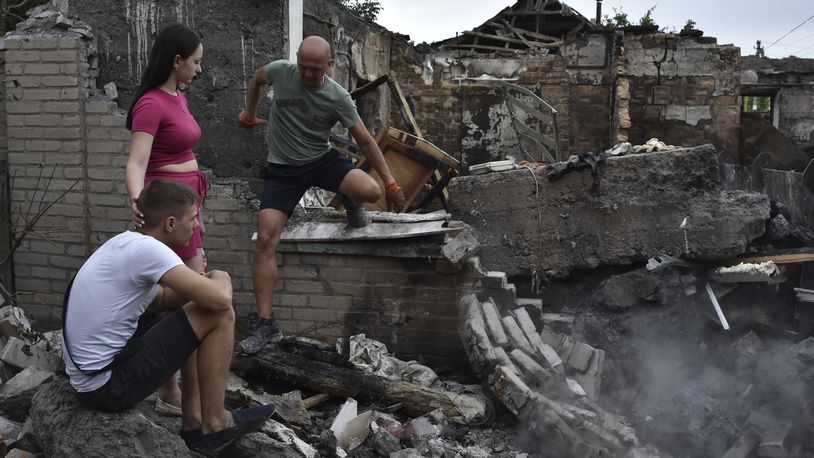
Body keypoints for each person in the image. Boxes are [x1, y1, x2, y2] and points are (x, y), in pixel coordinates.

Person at [62, 180, 275, 452]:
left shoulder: (125, 243)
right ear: (171, 223)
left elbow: (161, 301)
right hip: (108, 387)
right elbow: (221, 300)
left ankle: (194, 422)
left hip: (92, 382)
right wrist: (221, 277)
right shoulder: (150, 250)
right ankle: (214, 423)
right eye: (193, 218)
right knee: (220, 314)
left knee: (192, 310)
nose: (197, 226)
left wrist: (197, 283)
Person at [236, 35, 406, 355]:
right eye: (303, 67)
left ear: (329, 66)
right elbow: (257, 78)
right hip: (283, 171)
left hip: (320, 162)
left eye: (315, 69)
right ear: (296, 61)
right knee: (266, 239)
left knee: (369, 190)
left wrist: (391, 183)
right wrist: (249, 113)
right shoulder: (281, 72)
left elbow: (367, 142)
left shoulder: (338, 97)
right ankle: (266, 324)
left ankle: (350, 198)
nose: (308, 75)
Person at [124, 23, 208, 415]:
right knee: (187, 297)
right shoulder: (151, 104)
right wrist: (138, 201)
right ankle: (172, 392)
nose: (199, 69)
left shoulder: (179, 97)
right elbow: (137, 162)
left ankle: (177, 390)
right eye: (195, 62)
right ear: (176, 61)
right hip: (168, 215)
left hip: (188, 207)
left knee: (188, 294)